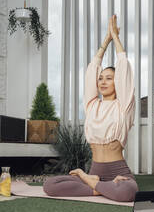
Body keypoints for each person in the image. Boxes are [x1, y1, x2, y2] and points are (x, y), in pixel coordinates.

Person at [43, 14, 138, 202]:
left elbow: (123, 68)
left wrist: (115, 38)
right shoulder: (92, 105)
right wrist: (106, 40)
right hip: (95, 170)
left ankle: (92, 184)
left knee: (128, 192)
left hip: (118, 171)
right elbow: (91, 70)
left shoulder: (124, 105)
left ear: (117, 83)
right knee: (49, 186)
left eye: (109, 78)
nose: (103, 82)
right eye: (101, 78)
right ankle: (100, 187)